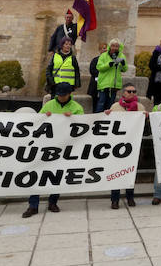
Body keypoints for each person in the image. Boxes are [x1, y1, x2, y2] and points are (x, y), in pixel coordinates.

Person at [22, 82, 84, 218]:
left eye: (63, 95)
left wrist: (73, 118)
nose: (60, 97)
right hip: (45, 146)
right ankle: (33, 205)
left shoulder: (76, 108)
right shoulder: (49, 105)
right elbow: (37, 121)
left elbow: (83, 126)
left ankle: (53, 202)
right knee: (37, 175)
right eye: (59, 95)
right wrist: (45, 116)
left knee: (56, 176)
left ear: (69, 94)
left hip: (63, 148)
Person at [104, 84, 142, 209]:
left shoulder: (140, 107)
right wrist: (106, 115)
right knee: (116, 172)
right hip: (117, 145)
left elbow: (144, 127)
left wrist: (146, 118)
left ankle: (130, 197)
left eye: (134, 91)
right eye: (129, 91)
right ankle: (115, 199)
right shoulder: (115, 107)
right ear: (123, 93)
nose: (132, 93)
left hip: (133, 145)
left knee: (130, 172)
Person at [94, 39, 126, 112]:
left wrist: (123, 64)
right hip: (104, 83)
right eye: (113, 46)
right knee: (101, 103)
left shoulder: (121, 55)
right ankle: (98, 119)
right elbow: (99, 67)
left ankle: (108, 120)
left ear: (119, 47)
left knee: (111, 105)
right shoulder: (103, 55)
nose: (114, 48)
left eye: (117, 46)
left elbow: (124, 69)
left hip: (114, 84)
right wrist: (109, 64)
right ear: (110, 46)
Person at [88, 42, 108, 106]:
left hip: (106, 84)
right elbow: (92, 70)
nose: (105, 50)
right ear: (100, 50)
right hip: (96, 84)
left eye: (106, 48)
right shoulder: (95, 60)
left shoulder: (109, 60)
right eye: (103, 48)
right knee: (95, 102)